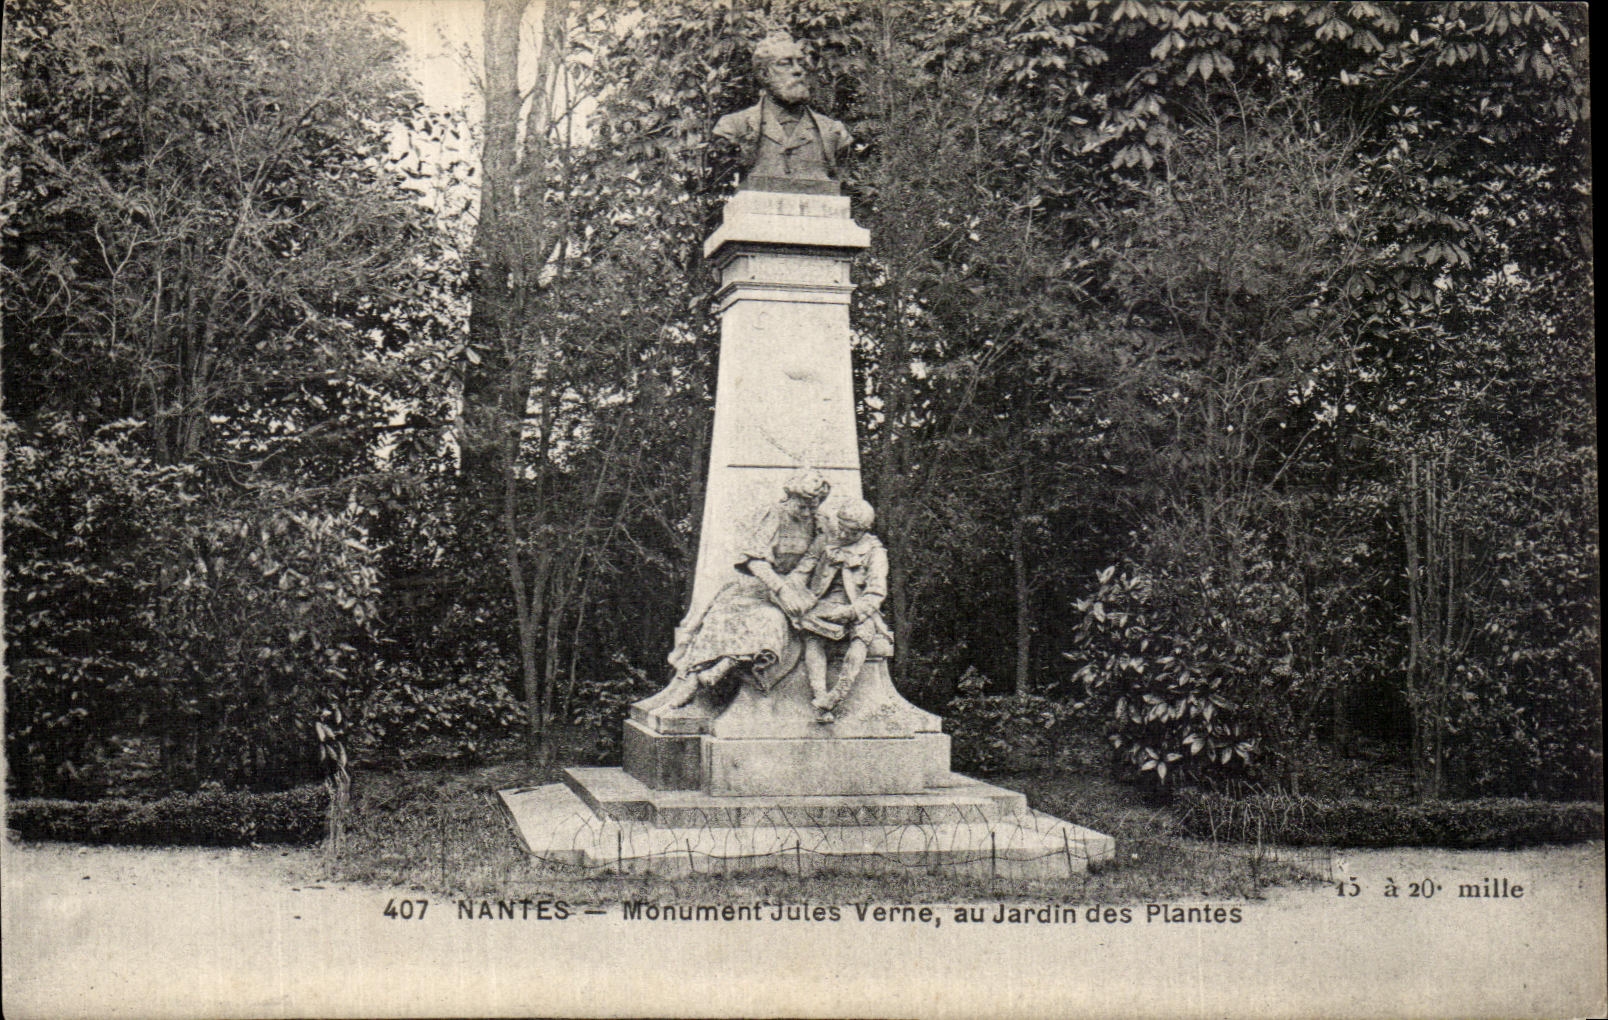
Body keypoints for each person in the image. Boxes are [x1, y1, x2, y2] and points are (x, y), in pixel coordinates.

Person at [658, 471, 833, 711]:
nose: (806, 513)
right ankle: (693, 678)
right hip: (759, 586)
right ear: (790, 497)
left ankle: (720, 669)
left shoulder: (820, 523)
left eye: (812, 507)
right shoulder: (774, 515)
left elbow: (815, 560)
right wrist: (781, 589)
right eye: (801, 506)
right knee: (724, 616)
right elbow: (754, 560)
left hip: (795, 590)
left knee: (771, 620)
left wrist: (794, 588)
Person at [712, 33, 853, 188]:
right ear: (764, 74)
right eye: (785, 63)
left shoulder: (833, 131)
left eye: (801, 63)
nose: (798, 70)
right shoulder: (733, 126)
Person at [798, 498, 893, 723]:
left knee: (862, 635)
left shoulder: (875, 552)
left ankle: (838, 693)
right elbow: (804, 568)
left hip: (858, 608)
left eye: (850, 532)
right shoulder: (826, 540)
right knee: (813, 638)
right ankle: (820, 696)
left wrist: (851, 612)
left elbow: (876, 592)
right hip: (823, 604)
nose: (842, 534)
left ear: (863, 530)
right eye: (841, 527)